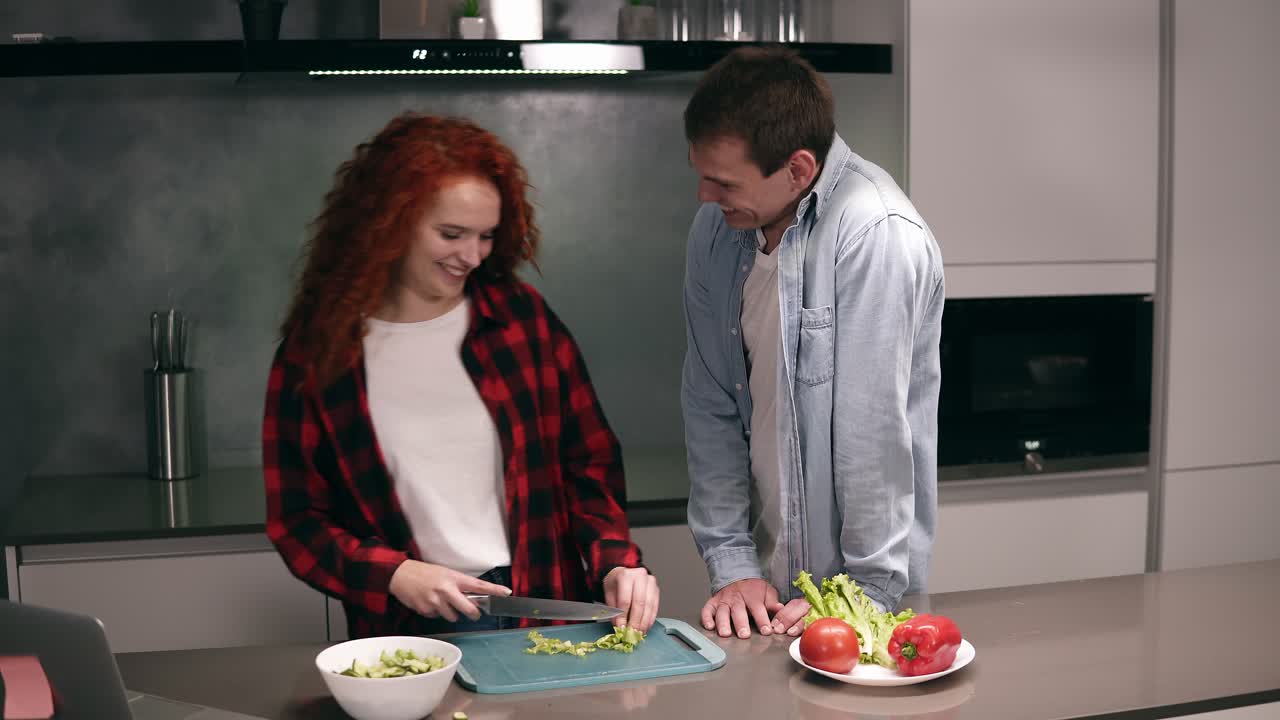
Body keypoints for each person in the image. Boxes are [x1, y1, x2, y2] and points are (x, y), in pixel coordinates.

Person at [262, 112, 660, 639]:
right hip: (410, 632)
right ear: (390, 220)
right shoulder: (317, 354)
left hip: (545, 609)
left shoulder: (521, 321)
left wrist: (616, 563)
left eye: (487, 236)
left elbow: (588, 462)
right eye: (451, 234)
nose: (471, 256)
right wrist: (394, 574)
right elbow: (298, 520)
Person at [680, 47, 944, 640]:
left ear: (798, 170)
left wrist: (861, 598)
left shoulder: (876, 234)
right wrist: (731, 566)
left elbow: (871, 436)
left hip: (857, 599)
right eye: (701, 174)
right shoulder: (717, 232)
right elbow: (710, 403)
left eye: (723, 181)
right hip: (759, 593)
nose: (703, 195)